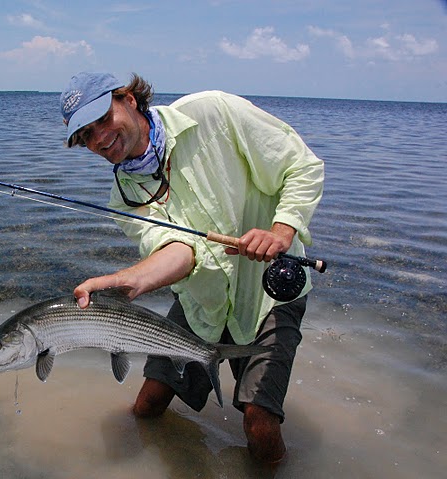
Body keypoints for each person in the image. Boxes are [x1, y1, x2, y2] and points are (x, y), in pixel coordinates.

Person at [60, 72, 324, 465]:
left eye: (102, 119)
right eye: (85, 135)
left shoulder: (213, 112)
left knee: (259, 422)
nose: (98, 139)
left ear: (129, 100)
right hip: (203, 299)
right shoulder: (124, 197)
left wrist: (282, 231)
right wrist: (125, 281)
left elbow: (302, 166)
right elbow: (181, 253)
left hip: (266, 294)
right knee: (147, 407)